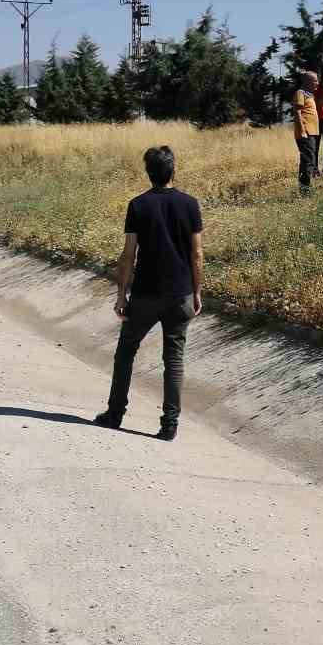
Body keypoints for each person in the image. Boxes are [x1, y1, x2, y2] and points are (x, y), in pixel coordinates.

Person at [94, 145, 203, 441]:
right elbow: (196, 254)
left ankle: (115, 414)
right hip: (180, 294)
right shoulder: (190, 205)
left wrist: (121, 296)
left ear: (148, 173)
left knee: (126, 352)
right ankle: (170, 424)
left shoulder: (138, 205)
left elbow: (128, 255)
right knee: (174, 359)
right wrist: (197, 291)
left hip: (145, 294)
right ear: (173, 170)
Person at [292, 70, 320, 194]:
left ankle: (307, 187)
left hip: (312, 132)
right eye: (315, 81)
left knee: (310, 160)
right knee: (307, 161)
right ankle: (305, 190)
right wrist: (303, 130)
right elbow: (297, 112)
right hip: (306, 133)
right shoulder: (300, 93)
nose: (317, 84)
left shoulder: (310, 95)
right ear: (308, 82)